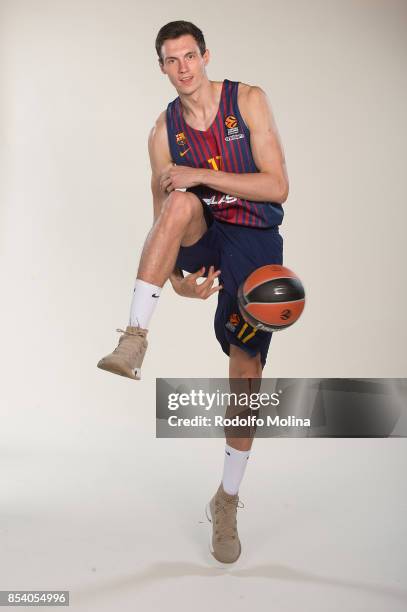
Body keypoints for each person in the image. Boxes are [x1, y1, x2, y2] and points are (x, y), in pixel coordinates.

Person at [97, 20, 289, 564]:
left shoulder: (246, 101)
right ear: (161, 67)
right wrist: (176, 278)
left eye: (190, 56)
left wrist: (200, 175)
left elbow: (277, 185)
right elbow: (163, 215)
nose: (183, 68)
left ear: (206, 56)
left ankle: (226, 498)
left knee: (246, 368)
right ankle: (134, 336)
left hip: (253, 233)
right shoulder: (163, 130)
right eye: (171, 60)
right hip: (201, 228)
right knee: (179, 202)